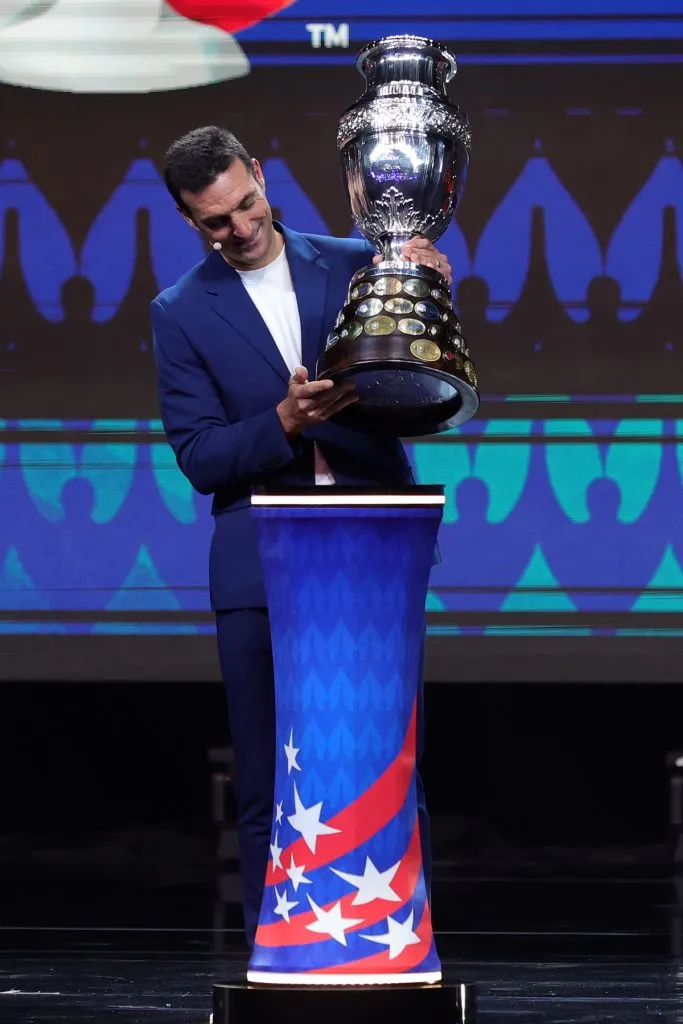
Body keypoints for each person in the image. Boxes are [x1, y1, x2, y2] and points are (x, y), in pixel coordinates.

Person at [150, 125, 453, 948]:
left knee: (386, 757)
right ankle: (274, 956)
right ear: (189, 221)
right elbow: (201, 457)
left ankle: (393, 946)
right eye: (216, 222)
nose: (240, 228)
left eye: (246, 204)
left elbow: (426, 402)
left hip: (372, 542)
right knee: (265, 771)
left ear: (260, 173)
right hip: (259, 560)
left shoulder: (357, 261)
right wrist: (281, 423)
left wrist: (428, 300)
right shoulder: (178, 313)